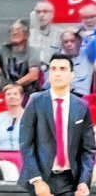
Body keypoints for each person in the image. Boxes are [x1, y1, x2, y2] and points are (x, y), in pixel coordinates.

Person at [19, 54, 96, 196]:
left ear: (72, 75)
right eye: (53, 69)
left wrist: (84, 181)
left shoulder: (81, 106)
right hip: (41, 179)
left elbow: (88, 149)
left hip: (71, 181)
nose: (57, 73)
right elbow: (26, 144)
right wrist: (37, 180)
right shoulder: (36, 101)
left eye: (62, 69)